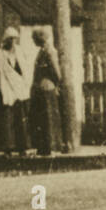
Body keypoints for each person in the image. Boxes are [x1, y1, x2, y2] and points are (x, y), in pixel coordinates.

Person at [0, 26, 30, 157]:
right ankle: (8, 148)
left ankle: (22, 148)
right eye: (10, 39)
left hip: (19, 91)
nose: (12, 42)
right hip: (6, 91)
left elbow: (24, 71)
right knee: (7, 121)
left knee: (20, 120)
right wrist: (5, 88)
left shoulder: (19, 52)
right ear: (6, 40)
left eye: (15, 39)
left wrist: (21, 86)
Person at [29, 27, 63, 157]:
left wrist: (57, 84)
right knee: (41, 119)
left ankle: (51, 146)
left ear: (39, 38)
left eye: (34, 38)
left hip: (47, 88)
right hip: (40, 89)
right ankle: (43, 147)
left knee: (48, 118)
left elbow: (56, 71)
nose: (33, 41)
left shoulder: (49, 51)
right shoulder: (42, 51)